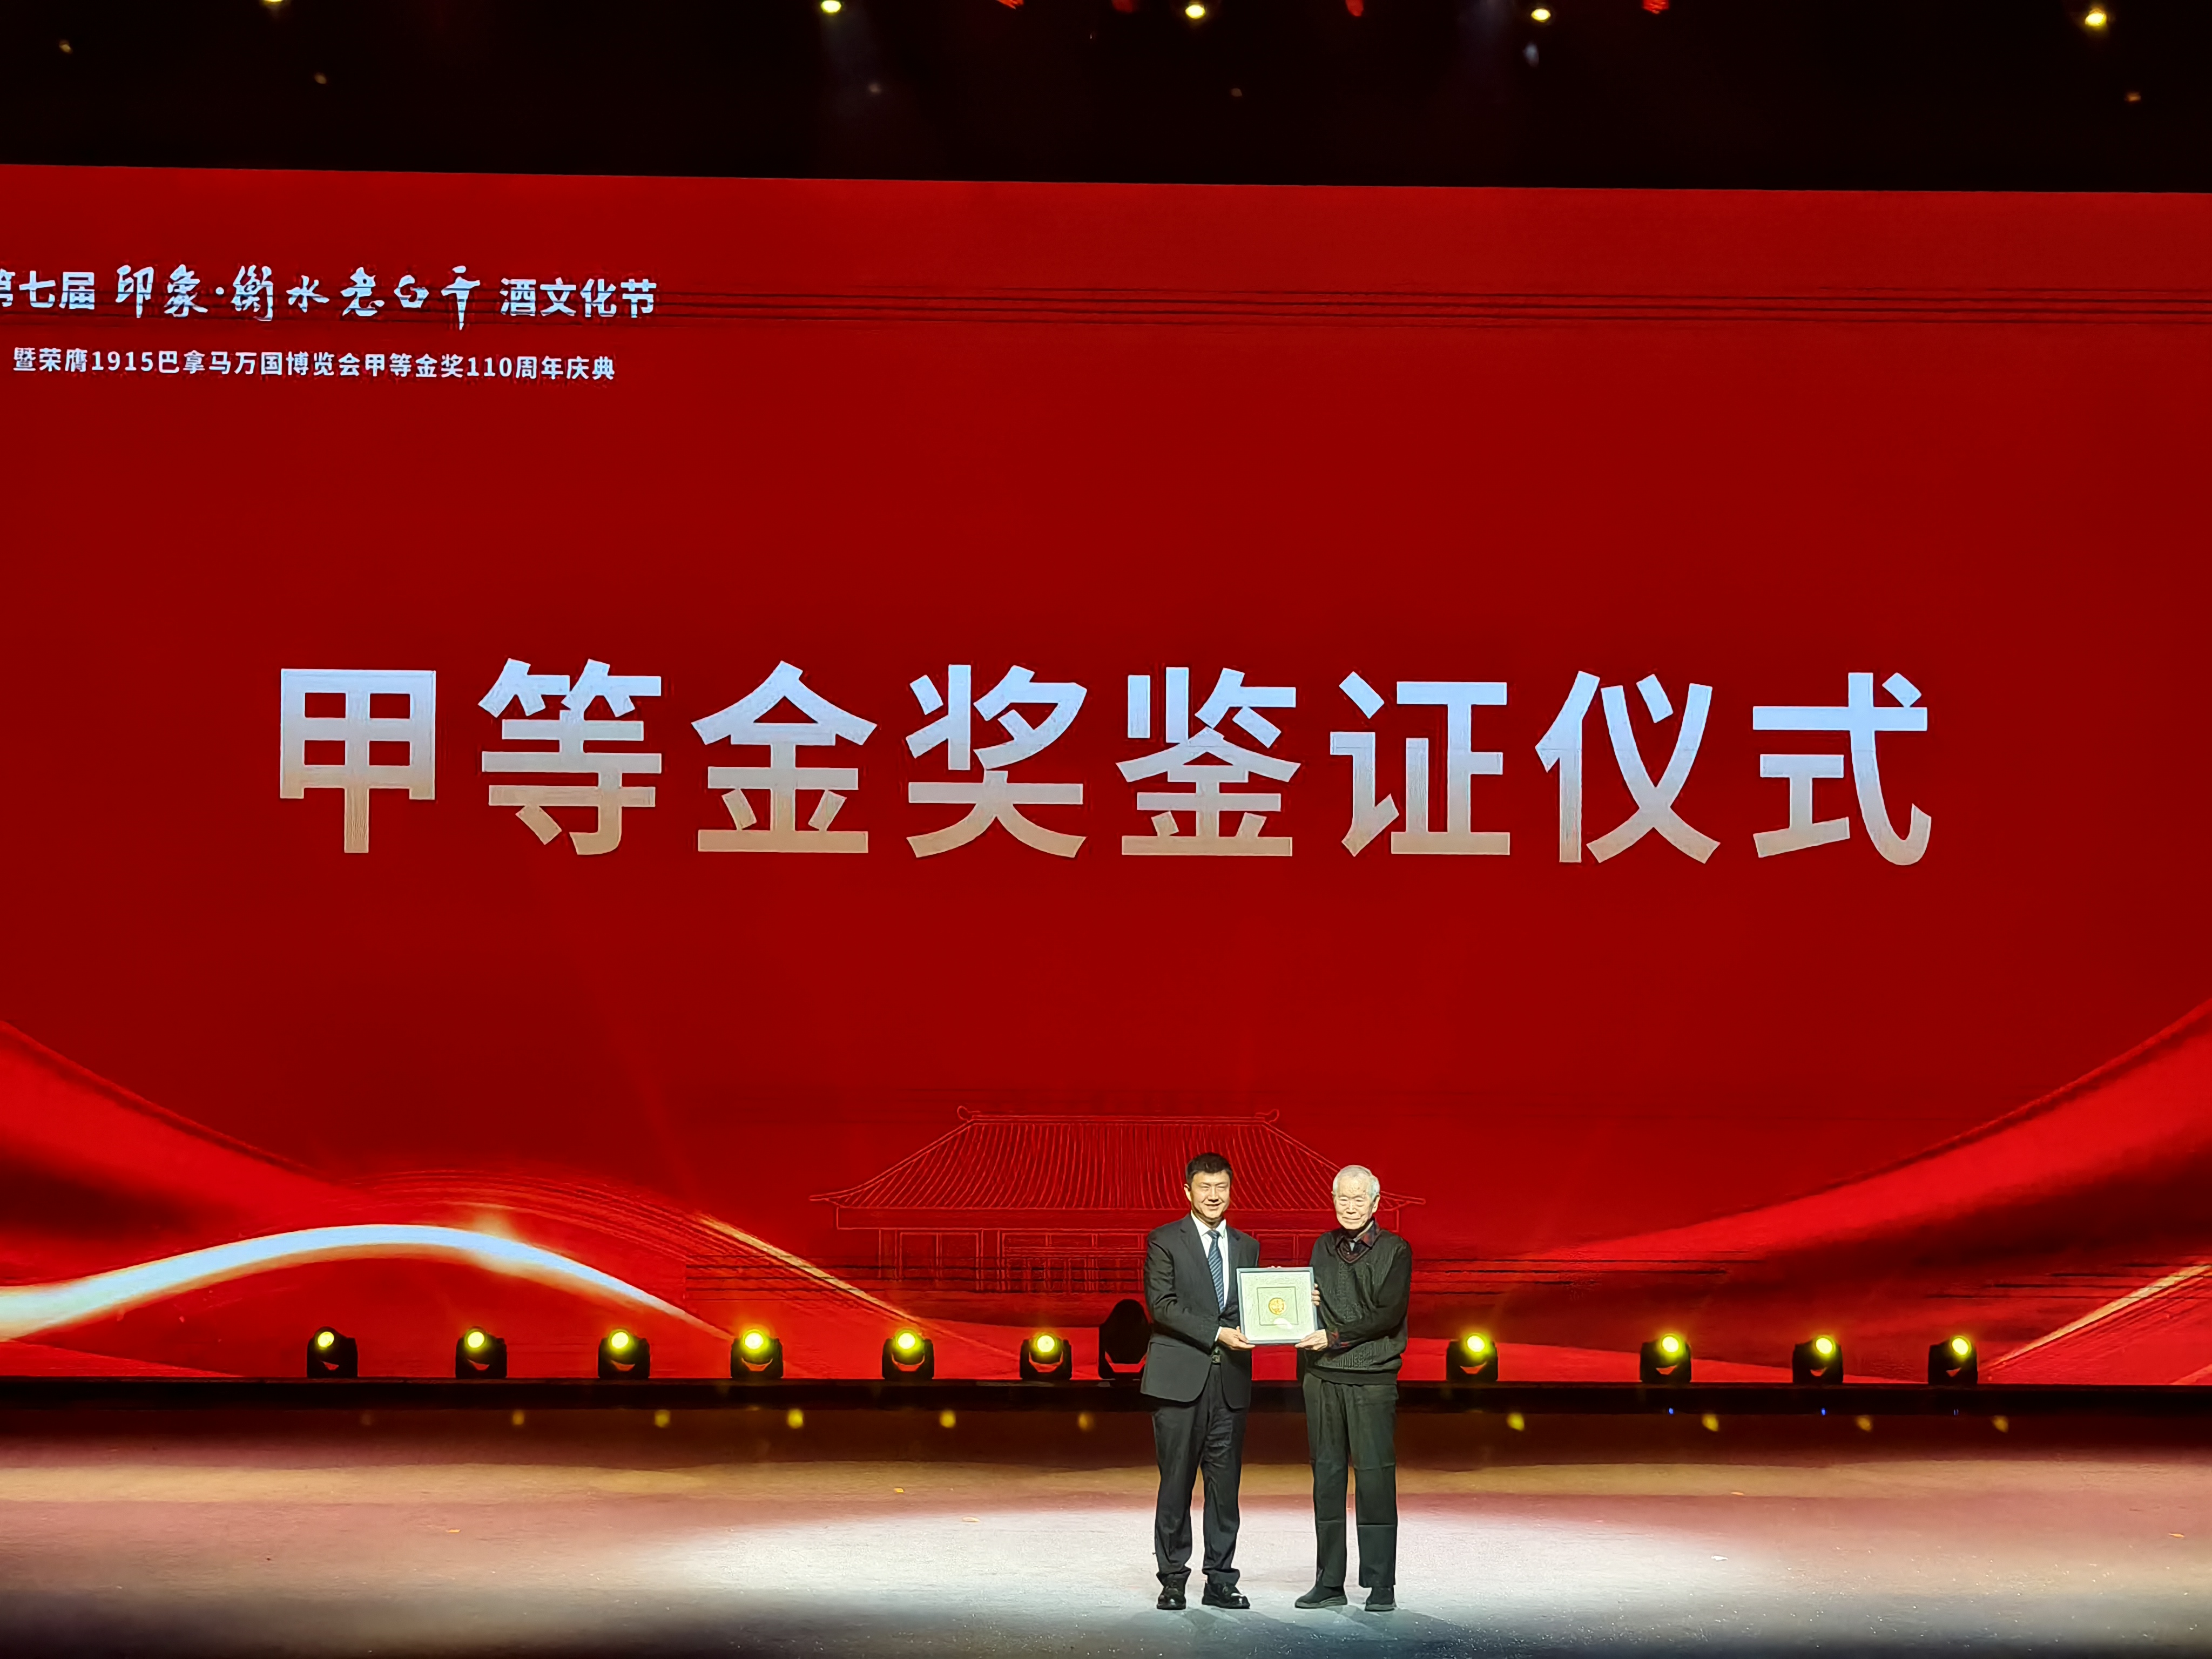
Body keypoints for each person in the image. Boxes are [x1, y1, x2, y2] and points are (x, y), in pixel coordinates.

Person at [1141, 1150, 1259, 1610]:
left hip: (1229, 1382)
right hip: (1178, 1380)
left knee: (1225, 1488)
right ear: (1187, 1191)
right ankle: (1173, 1578)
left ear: (1231, 1191)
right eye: (1205, 1187)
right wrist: (1217, 1333)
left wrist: (1286, 1303)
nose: (1214, 1196)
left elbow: (1250, 1307)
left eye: (1221, 1188)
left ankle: (1221, 1580)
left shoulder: (1247, 1246)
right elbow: (1162, 1306)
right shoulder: (1164, 1240)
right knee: (1175, 1484)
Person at [1292, 1162, 1412, 1613]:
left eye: (1358, 1199)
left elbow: (1387, 1314)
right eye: (1342, 1198)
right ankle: (1329, 1581)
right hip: (1322, 1377)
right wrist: (1303, 1301)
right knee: (1326, 1480)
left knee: (1375, 1479)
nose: (1349, 1206)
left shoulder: (1396, 1250)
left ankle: (1381, 1584)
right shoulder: (1322, 1247)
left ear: (1376, 1203)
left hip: (1371, 1379)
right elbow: (1313, 1303)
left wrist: (1334, 1336)